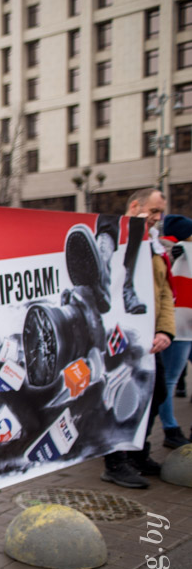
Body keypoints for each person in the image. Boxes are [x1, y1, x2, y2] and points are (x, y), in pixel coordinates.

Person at [99, 188, 174, 488]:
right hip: (117, 334)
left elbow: (164, 291)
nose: (158, 218)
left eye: (160, 213)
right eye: (154, 212)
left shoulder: (152, 245)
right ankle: (115, 462)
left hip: (148, 335)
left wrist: (165, 330)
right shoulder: (113, 235)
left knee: (156, 393)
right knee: (117, 395)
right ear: (135, 207)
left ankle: (139, 452)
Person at [159, 214, 192, 448]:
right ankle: (170, 429)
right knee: (169, 380)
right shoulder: (166, 250)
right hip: (177, 327)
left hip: (183, 326)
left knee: (169, 379)